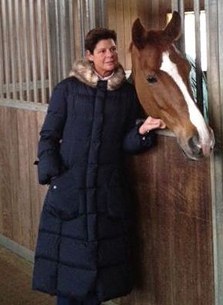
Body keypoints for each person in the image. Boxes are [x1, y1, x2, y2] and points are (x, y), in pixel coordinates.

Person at [32, 27, 166, 305]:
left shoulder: (127, 94)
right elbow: (49, 135)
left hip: (106, 193)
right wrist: (53, 173)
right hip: (70, 190)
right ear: (89, 56)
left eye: (113, 49)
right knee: (68, 276)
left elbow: (125, 144)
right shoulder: (67, 90)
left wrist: (143, 130)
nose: (110, 54)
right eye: (103, 50)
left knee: (97, 277)